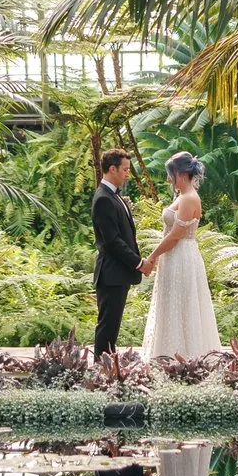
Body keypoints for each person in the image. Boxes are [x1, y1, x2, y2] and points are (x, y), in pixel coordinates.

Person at [140, 151, 222, 362]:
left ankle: (185, 357)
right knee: (171, 304)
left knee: (183, 304)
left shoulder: (189, 199)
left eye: (171, 174)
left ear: (181, 173)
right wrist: (158, 258)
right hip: (173, 257)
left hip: (181, 256)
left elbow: (175, 235)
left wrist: (152, 256)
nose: (168, 179)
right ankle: (168, 355)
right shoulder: (182, 197)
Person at [90, 149, 141, 364]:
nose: (127, 174)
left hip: (118, 273)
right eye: (125, 169)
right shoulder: (103, 199)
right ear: (112, 169)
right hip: (111, 273)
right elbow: (112, 242)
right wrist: (138, 263)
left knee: (112, 327)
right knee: (107, 327)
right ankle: (101, 371)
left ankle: (107, 370)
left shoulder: (113, 196)